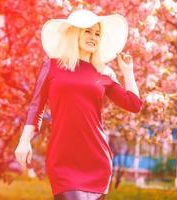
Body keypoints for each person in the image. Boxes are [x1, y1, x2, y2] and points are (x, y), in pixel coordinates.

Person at [14, 9, 143, 200]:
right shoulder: (52, 66)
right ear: (76, 33)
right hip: (62, 159)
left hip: (97, 160)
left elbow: (134, 104)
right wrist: (24, 141)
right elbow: (36, 107)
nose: (93, 37)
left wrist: (128, 72)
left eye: (98, 34)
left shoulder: (104, 73)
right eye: (88, 32)